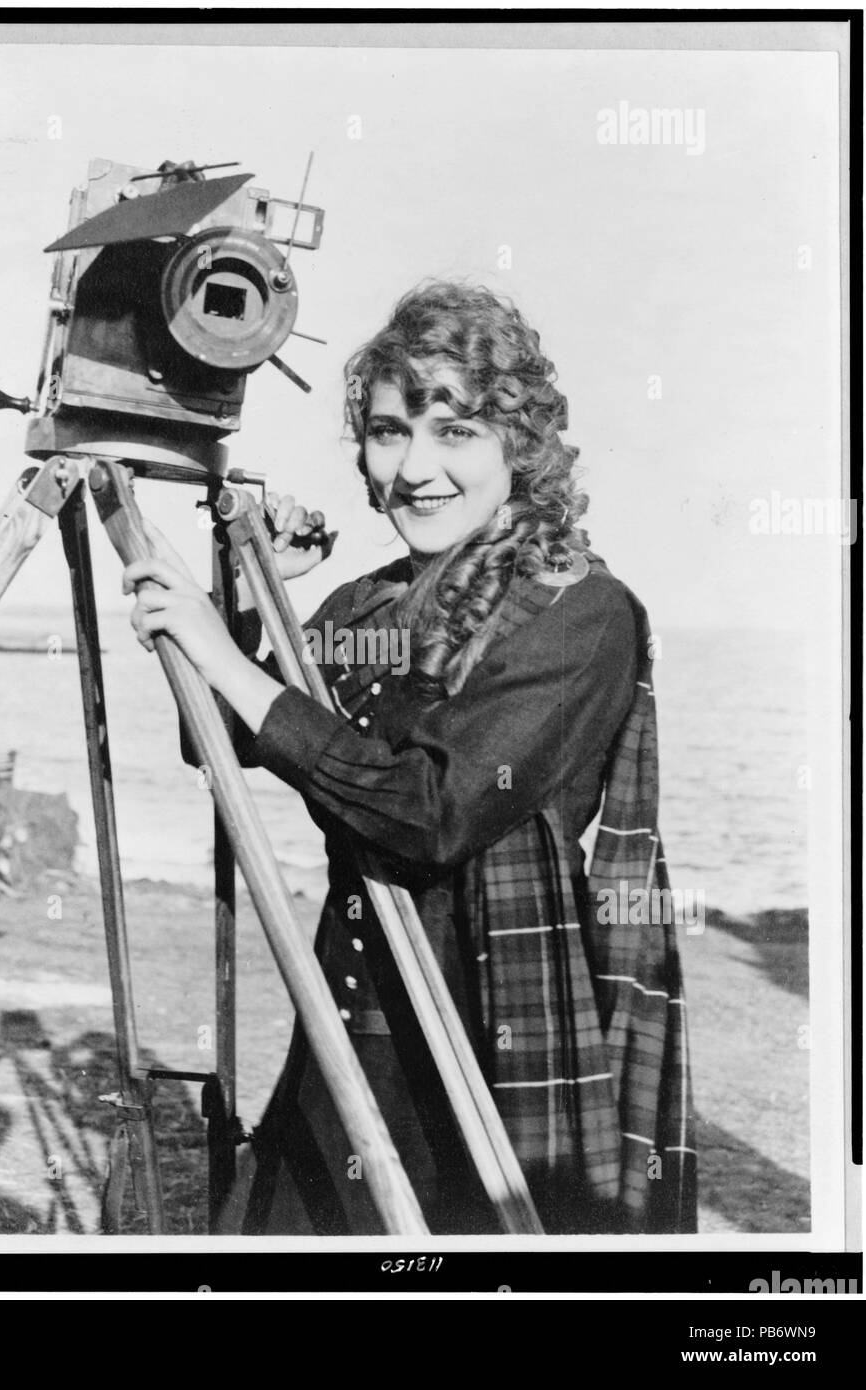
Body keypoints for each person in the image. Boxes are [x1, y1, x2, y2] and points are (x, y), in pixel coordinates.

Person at [123, 281, 697, 1235]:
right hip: (354, 1026)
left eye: (456, 432)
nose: (416, 467)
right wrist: (251, 582)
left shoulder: (578, 613)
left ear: (520, 446)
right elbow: (215, 736)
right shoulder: (371, 605)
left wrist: (228, 657)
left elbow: (428, 813)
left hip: (493, 1046)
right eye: (390, 432)